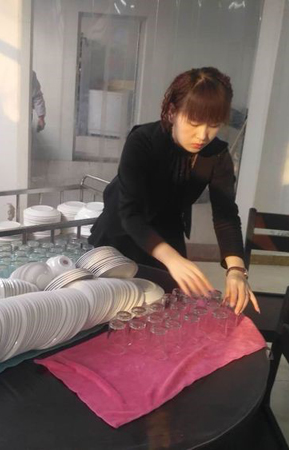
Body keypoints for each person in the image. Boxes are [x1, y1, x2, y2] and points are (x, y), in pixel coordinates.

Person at [88, 67, 259, 316]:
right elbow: (130, 214)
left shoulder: (217, 154)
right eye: (194, 123)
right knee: (111, 308)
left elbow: (226, 215)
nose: (203, 135)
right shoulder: (143, 141)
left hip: (167, 230)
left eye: (214, 125)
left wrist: (236, 270)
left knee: (163, 309)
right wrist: (172, 259)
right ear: (171, 111)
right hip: (121, 231)